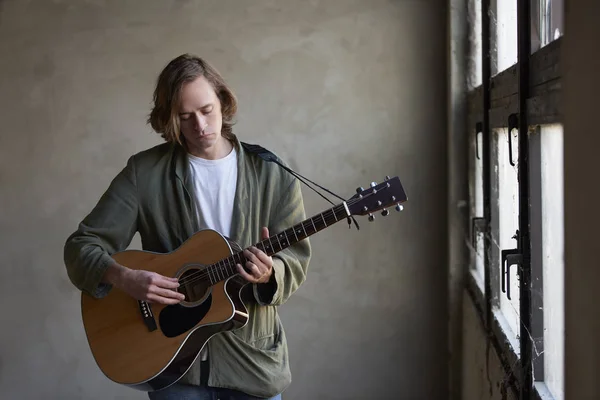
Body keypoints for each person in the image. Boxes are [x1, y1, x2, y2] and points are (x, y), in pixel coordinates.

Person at [63, 54, 312, 400]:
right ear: (169, 119)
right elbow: (81, 246)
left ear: (223, 103)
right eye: (185, 116)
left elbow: (295, 260)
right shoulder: (144, 173)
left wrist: (271, 273)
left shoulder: (272, 174)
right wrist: (125, 278)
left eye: (207, 110)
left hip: (253, 363)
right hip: (173, 368)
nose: (200, 126)